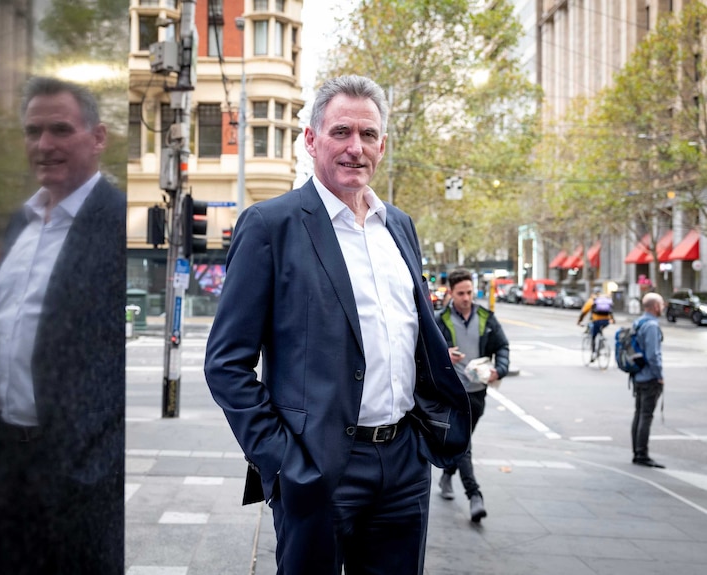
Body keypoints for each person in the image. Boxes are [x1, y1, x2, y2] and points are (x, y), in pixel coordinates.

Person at [204, 75, 470, 575]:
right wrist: (283, 462)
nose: (355, 148)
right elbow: (225, 364)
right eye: (341, 132)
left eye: (368, 135)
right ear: (311, 139)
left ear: (383, 145)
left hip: (404, 466)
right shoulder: (270, 226)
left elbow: (410, 337)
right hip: (318, 469)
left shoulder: (400, 226)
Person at [0, 77, 126, 574]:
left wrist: (99, 463)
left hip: (81, 474)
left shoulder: (117, 221)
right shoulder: (20, 223)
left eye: (60, 129)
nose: (44, 145)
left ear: (97, 137)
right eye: (32, 131)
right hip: (7, 466)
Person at [434, 268, 509, 522]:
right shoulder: (439, 320)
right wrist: (444, 354)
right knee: (464, 443)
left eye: (469, 292)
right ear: (451, 293)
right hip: (453, 393)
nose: (466, 298)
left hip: (478, 394)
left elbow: (502, 346)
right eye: (461, 293)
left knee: (462, 442)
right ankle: (475, 495)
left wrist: (500, 369)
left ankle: (446, 476)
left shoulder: (487, 318)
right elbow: (424, 351)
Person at [631, 292, 665, 468]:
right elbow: (653, 355)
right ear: (656, 307)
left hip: (638, 375)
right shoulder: (651, 325)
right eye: (662, 304)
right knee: (645, 415)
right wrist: (659, 376)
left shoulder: (638, 322)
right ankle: (642, 453)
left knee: (639, 414)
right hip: (649, 377)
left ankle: (637, 451)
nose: (663, 307)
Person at [577, 286, 615, 360]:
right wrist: (612, 319)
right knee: (600, 331)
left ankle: (594, 353)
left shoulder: (592, 300)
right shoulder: (605, 299)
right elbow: (610, 310)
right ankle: (602, 344)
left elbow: (584, 312)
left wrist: (579, 321)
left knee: (593, 336)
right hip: (606, 321)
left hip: (596, 321)